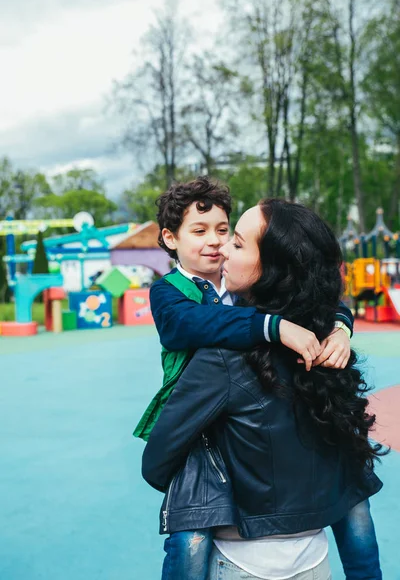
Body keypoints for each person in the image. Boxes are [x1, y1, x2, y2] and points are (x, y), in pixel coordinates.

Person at [142, 198, 385, 580]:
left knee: (192, 511)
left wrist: (341, 328)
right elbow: (188, 322)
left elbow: (155, 463)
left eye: (230, 237)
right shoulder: (174, 292)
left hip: (245, 554)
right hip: (311, 551)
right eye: (201, 231)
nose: (219, 245)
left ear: (272, 267)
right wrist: (278, 327)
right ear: (170, 239)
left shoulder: (248, 320)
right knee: (351, 493)